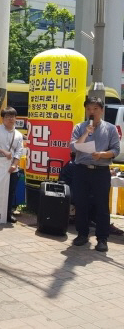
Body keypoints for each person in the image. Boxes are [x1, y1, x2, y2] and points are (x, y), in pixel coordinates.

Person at [70, 97, 120, 252]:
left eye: (95, 109)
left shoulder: (111, 129)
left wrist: (103, 155)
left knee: (101, 205)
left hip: (101, 171)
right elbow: (73, 147)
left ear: (102, 110)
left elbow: (116, 150)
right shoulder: (80, 127)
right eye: (89, 109)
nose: (92, 112)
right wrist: (85, 133)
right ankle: (82, 234)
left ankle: (102, 238)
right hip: (82, 170)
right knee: (81, 204)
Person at [0, 107, 24, 223]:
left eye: (12, 117)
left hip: (12, 168)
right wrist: (3, 151)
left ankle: (8, 214)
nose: (11, 119)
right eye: (7, 117)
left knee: (10, 191)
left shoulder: (18, 134)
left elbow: (19, 150)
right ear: (2, 119)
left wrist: (14, 165)